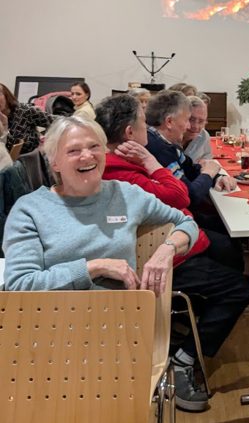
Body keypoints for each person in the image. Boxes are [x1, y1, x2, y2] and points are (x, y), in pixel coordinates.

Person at [95, 94, 249, 412]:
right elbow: (180, 197)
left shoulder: (122, 161)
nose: (149, 131)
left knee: (230, 258)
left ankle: (189, 322)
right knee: (240, 287)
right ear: (129, 133)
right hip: (160, 259)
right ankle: (182, 359)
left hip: (174, 245)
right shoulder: (124, 170)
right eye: (143, 124)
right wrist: (153, 164)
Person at [2, 115, 197, 295]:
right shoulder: (30, 209)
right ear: (55, 163)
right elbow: (20, 283)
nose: (87, 156)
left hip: (119, 318)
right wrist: (94, 267)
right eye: (73, 151)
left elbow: (186, 223)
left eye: (94, 147)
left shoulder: (126, 194)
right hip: (53, 323)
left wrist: (166, 251)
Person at [144, 90, 241, 269]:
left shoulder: (166, 143)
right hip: (165, 224)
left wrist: (216, 176)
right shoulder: (158, 147)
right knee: (226, 245)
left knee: (226, 228)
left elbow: (191, 168)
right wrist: (209, 173)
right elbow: (190, 195)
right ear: (170, 122)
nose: (191, 126)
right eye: (188, 119)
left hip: (178, 213)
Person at [0, 82, 52, 154]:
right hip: (6, 160)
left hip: (29, 158)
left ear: (6, 96)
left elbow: (55, 122)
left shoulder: (24, 111)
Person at [182, 95, 213, 163]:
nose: (195, 126)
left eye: (201, 121)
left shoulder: (204, 136)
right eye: (191, 119)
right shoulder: (169, 138)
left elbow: (207, 164)